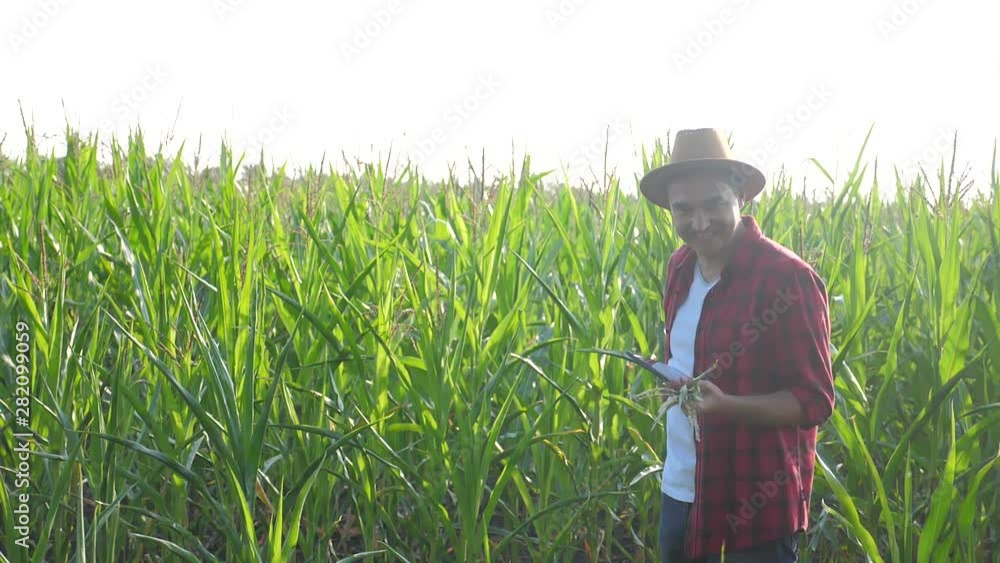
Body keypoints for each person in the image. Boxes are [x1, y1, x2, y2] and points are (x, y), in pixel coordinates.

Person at [639, 129, 835, 563]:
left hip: (754, 503)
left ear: (741, 197)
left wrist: (726, 406)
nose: (699, 222)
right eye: (683, 209)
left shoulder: (787, 279)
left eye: (713, 204)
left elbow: (815, 400)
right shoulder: (679, 267)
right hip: (681, 490)